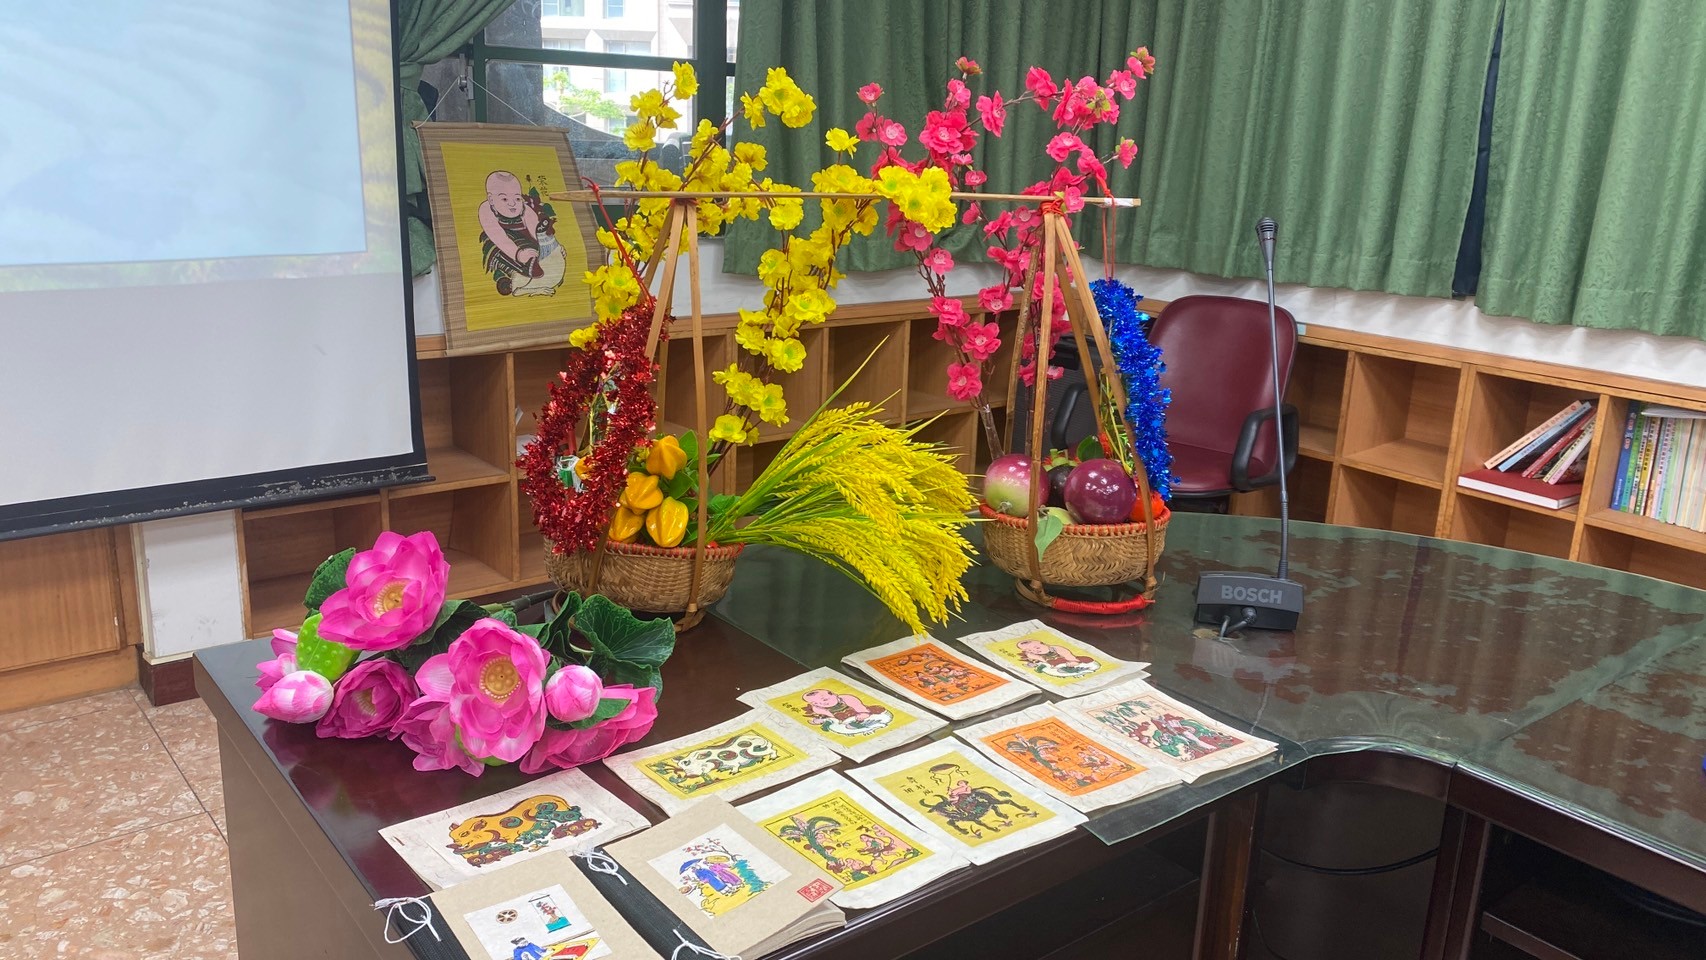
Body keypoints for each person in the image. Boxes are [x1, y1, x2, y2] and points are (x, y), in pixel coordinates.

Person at [477, 170, 544, 295]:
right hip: (502, 245)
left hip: (526, 243)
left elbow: (537, 233)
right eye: (504, 199)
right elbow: (498, 237)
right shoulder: (486, 209)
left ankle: (531, 268)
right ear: (491, 199)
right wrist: (518, 254)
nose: (512, 203)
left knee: (536, 250)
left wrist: (551, 247)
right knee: (498, 249)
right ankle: (509, 275)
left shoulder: (525, 209)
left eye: (517, 198)